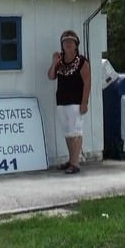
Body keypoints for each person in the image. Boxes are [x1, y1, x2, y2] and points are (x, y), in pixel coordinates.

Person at [47, 30, 91, 174]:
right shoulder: (60, 62)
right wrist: (54, 63)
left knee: (76, 131)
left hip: (76, 101)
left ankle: (75, 162)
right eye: (65, 42)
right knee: (68, 132)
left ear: (76, 44)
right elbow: (51, 76)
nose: (68, 45)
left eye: (71, 42)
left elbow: (87, 82)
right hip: (62, 100)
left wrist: (84, 102)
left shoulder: (82, 62)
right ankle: (71, 160)